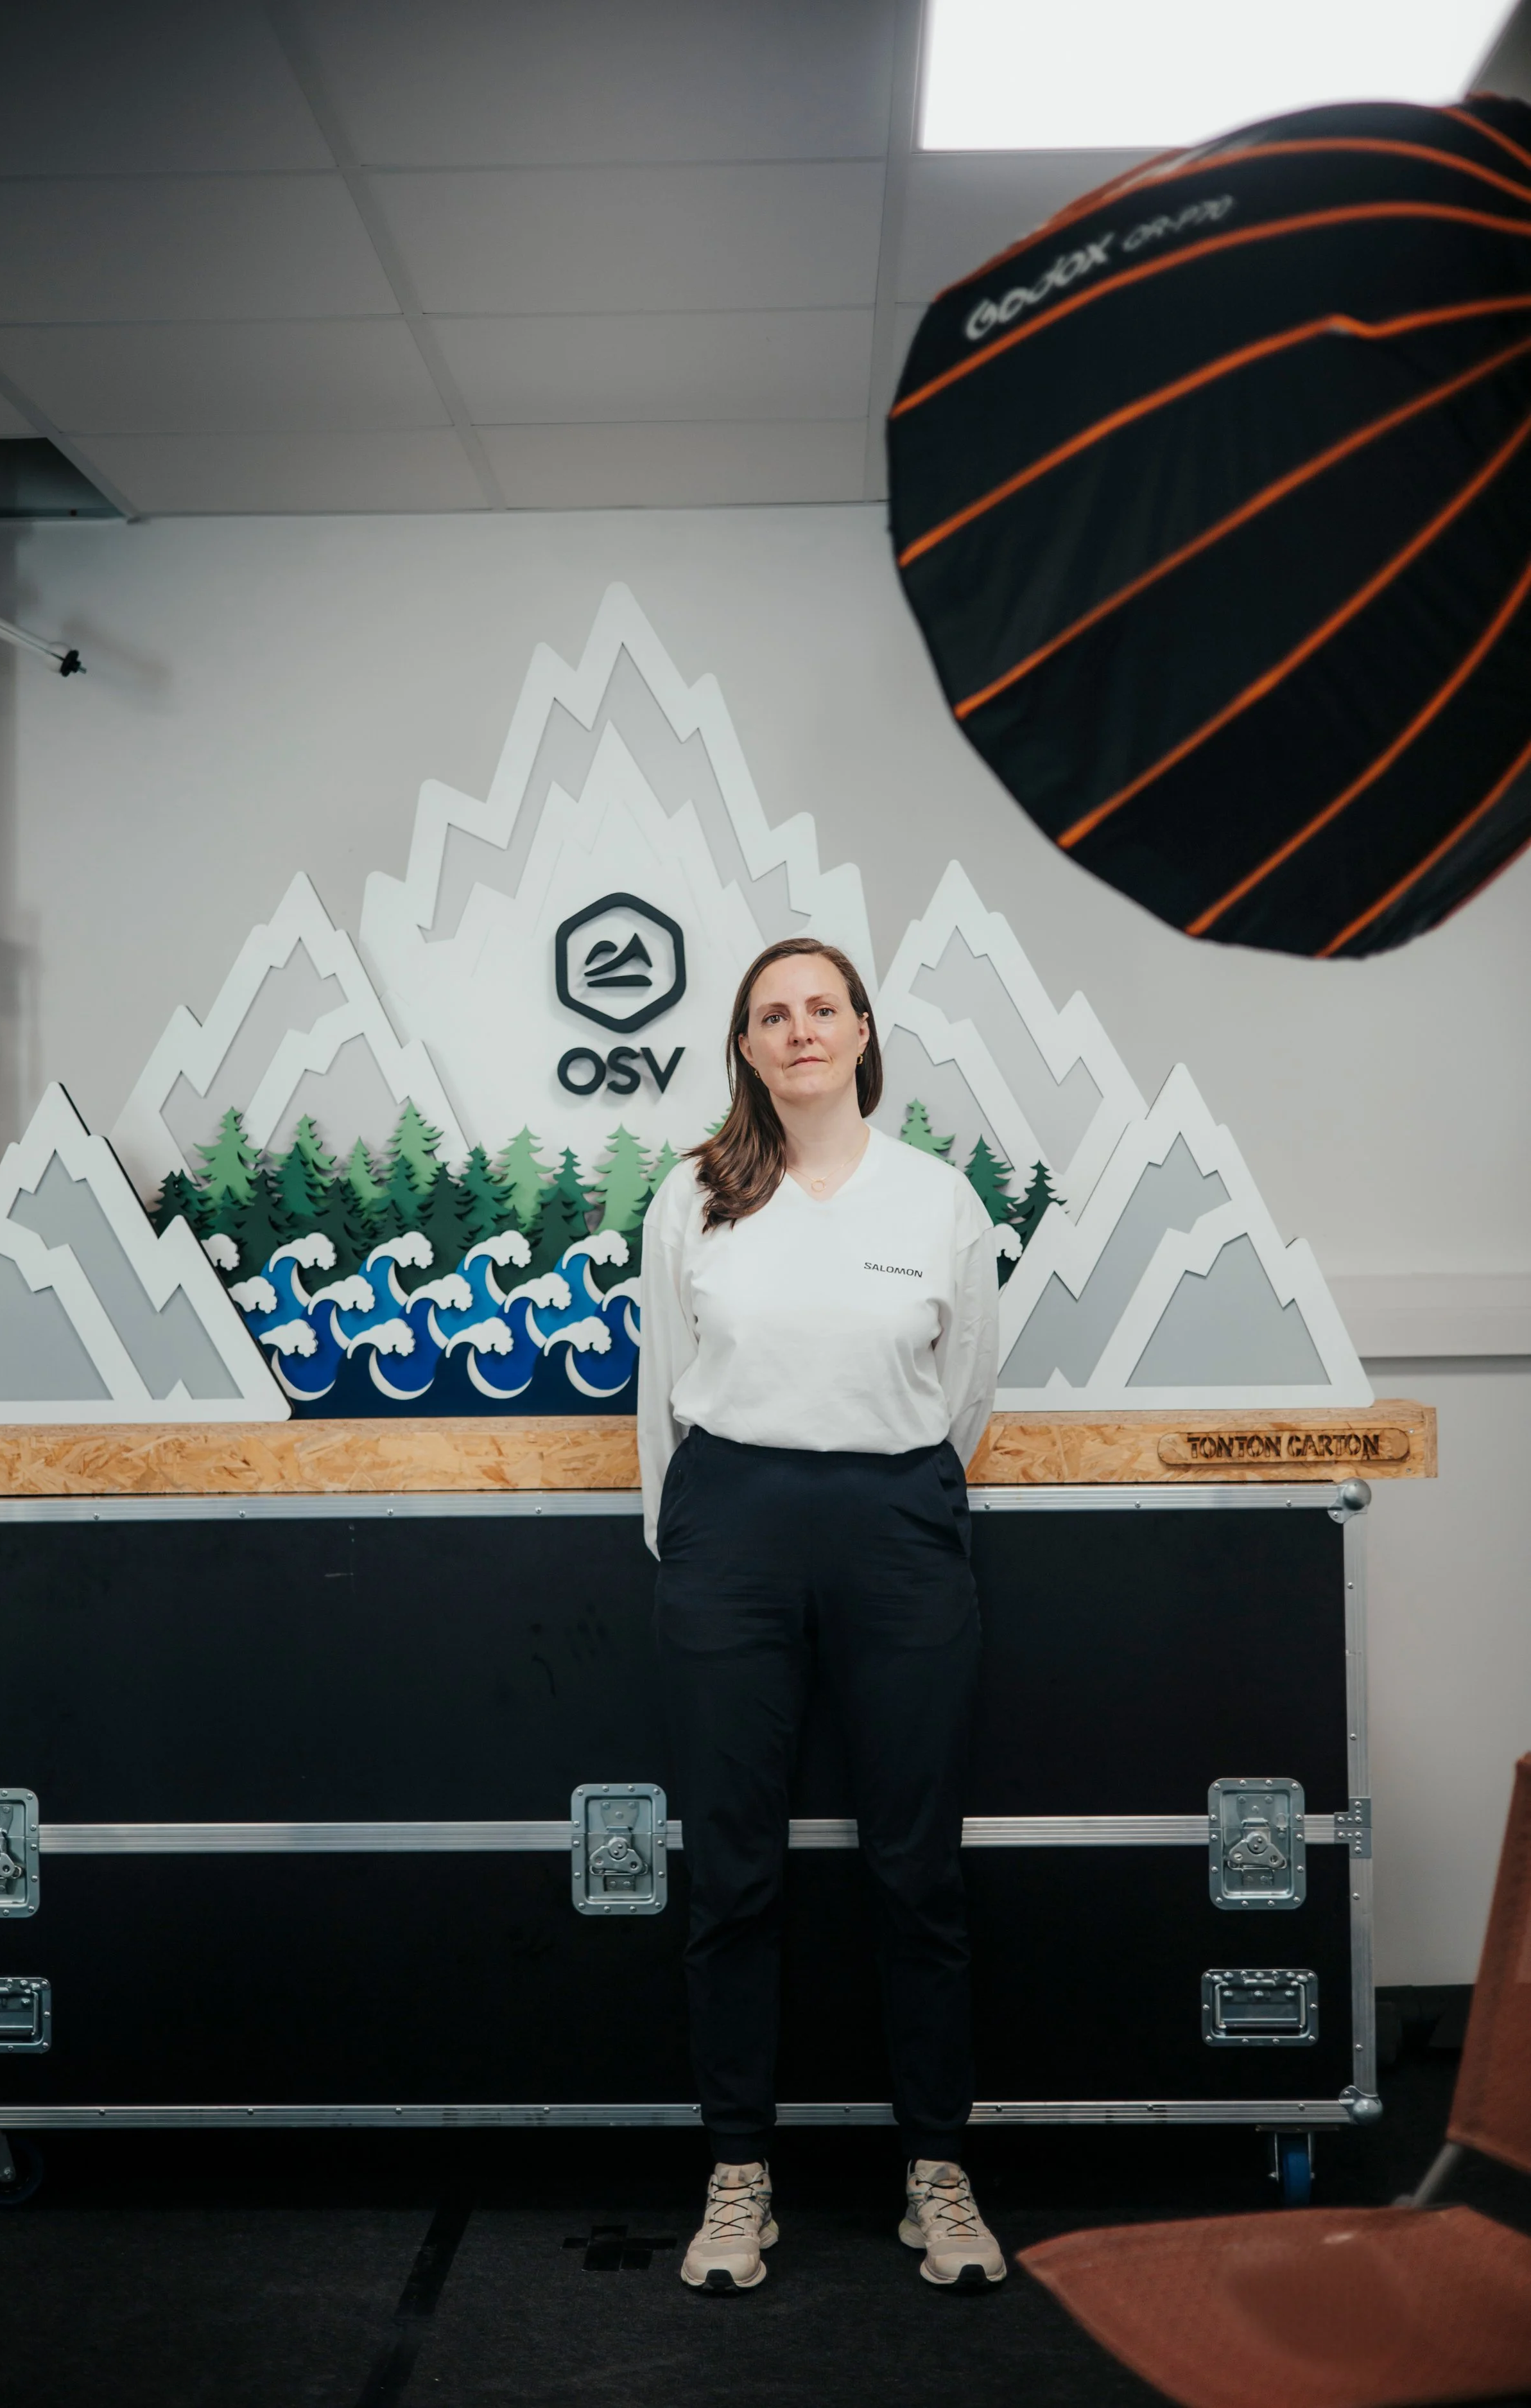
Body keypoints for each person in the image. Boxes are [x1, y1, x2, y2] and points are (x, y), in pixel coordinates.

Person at [639, 934, 1005, 2294]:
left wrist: (891, 1497)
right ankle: (738, 2174)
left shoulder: (935, 1202)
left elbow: (962, 1391)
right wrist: (686, 1546)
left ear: (862, 1031)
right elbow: (661, 1394)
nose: (797, 1031)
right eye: (769, 1016)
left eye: (819, 1009)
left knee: (917, 1869)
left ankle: (935, 2173)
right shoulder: (693, 1198)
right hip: (728, 1532)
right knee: (731, 1872)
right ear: (744, 1048)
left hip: (897, 1530)